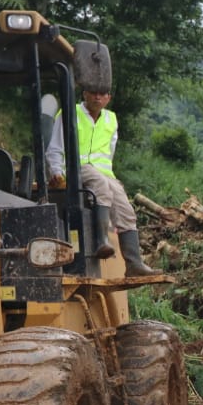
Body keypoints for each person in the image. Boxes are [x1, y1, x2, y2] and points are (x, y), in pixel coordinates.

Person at [46, 88, 157, 276]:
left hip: (103, 172)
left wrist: (111, 178)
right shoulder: (69, 112)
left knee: (125, 207)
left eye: (102, 93)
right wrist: (56, 171)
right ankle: (101, 241)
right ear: (85, 94)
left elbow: (109, 153)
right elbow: (55, 147)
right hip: (75, 168)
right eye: (93, 92)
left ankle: (133, 263)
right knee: (101, 187)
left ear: (108, 98)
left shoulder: (111, 119)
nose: (98, 96)